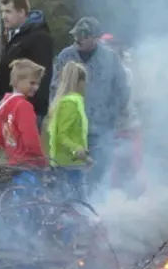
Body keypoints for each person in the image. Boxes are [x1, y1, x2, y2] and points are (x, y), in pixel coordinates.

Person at [52, 17, 129, 191]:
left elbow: (122, 91)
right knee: (71, 175)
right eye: (76, 35)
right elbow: (55, 89)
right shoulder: (66, 56)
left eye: (83, 36)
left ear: (96, 38)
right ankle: (74, 208)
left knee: (99, 172)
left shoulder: (111, 59)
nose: (78, 39)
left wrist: (111, 115)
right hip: (72, 129)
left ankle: (96, 209)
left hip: (101, 129)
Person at [0, 0, 53, 124]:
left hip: (25, 111)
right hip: (13, 108)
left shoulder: (39, 37)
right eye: (2, 12)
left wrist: (28, 110)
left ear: (21, 12)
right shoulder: (19, 35)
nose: (4, 16)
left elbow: (41, 76)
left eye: (8, 11)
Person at [45, 61, 89, 199]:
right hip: (68, 163)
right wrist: (77, 149)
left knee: (70, 200)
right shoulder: (70, 104)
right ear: (79, 82)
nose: (86, 85)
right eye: (84, 81)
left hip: (71, 161)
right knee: (75, 200)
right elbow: (61, 135)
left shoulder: (70, 102)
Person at [0, 58, 46, 168]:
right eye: (32, 83)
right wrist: (42, 161)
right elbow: (31, 140)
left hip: (12, 162)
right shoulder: (24, 106)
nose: (36, 87)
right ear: (17, 81)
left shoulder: (6, 103)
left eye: (37, 84)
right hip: (27, 164)